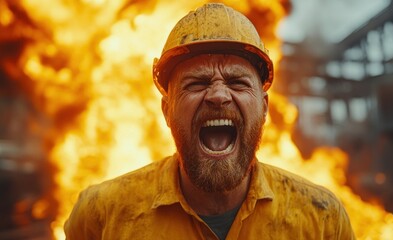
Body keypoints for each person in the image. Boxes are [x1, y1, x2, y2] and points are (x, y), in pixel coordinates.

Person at [64, 3, 356, 240]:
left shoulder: (322, 220)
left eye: (237, 82)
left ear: (264, 109)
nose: (218, 95)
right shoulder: (100, 217)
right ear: (167, 110)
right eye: (197, 83)